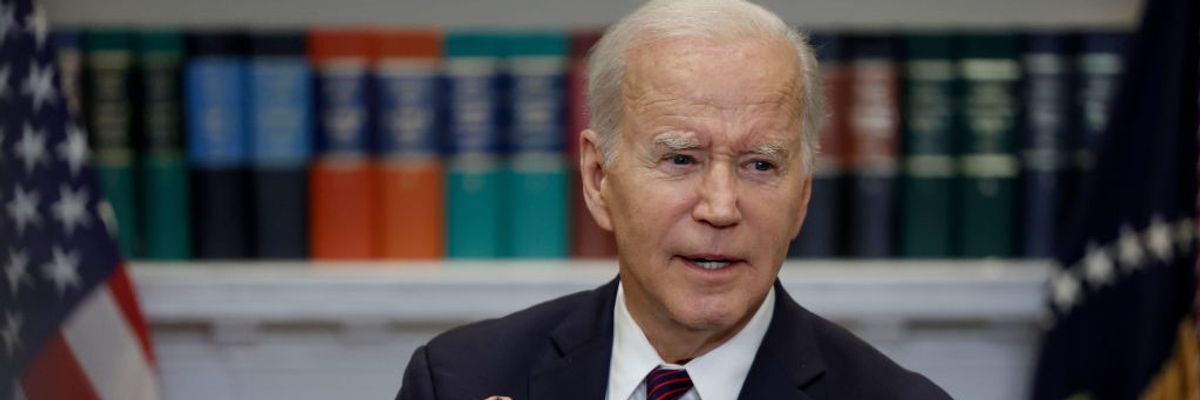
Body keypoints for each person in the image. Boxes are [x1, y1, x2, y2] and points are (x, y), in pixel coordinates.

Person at [398, 0, 951, 398]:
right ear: (598, 179)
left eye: (760, 165)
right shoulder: (459, 380)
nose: (720, 207)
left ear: (802, 195)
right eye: (681, 159)